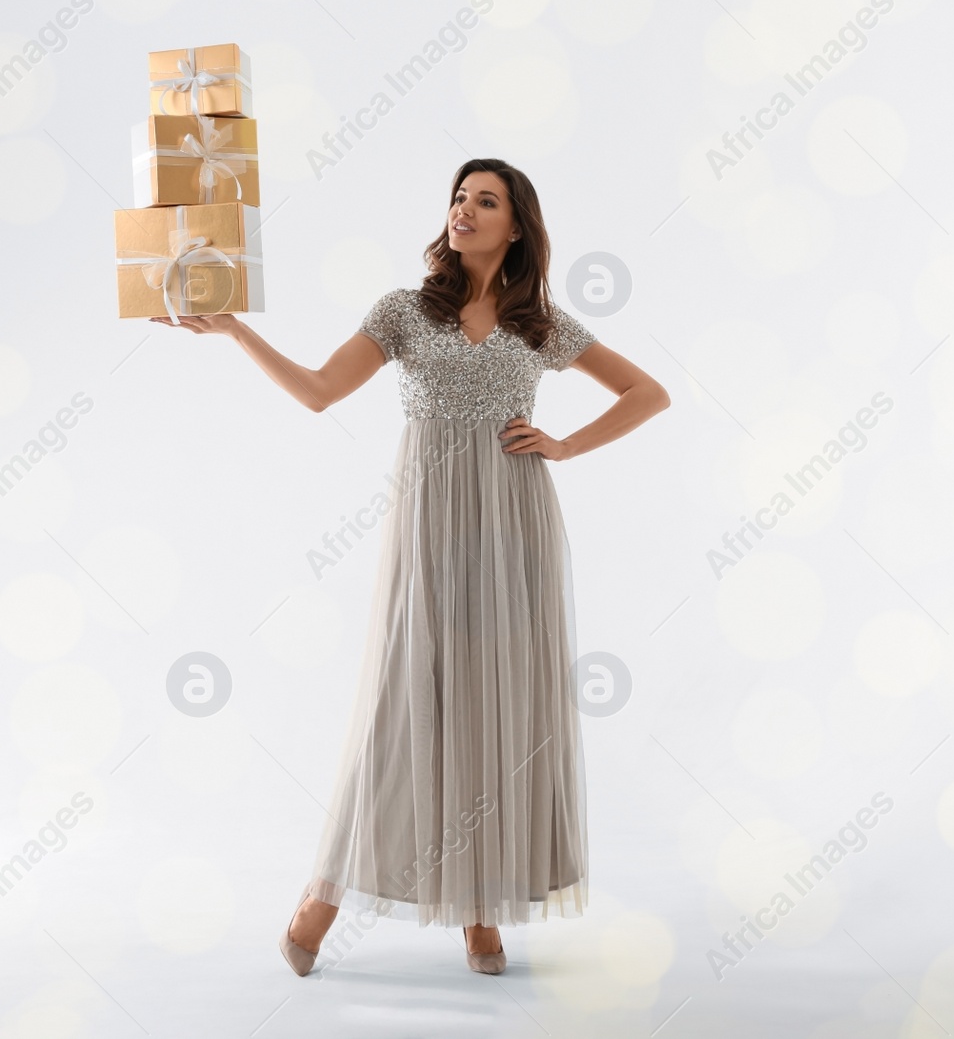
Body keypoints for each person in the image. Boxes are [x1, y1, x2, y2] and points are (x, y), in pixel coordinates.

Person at [152, 158, 670, 975]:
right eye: (459, 197)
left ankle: (481, 907)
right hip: (428, 529)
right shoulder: (403, 311)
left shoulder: (541, 323)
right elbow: (320, 391)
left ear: (517, 226)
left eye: (485, 201)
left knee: (501, 704)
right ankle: (319, 900)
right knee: (404, 703)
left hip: (515, 527)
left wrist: (565, 444)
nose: (465, 210)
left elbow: (648, 393)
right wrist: (239, 333)